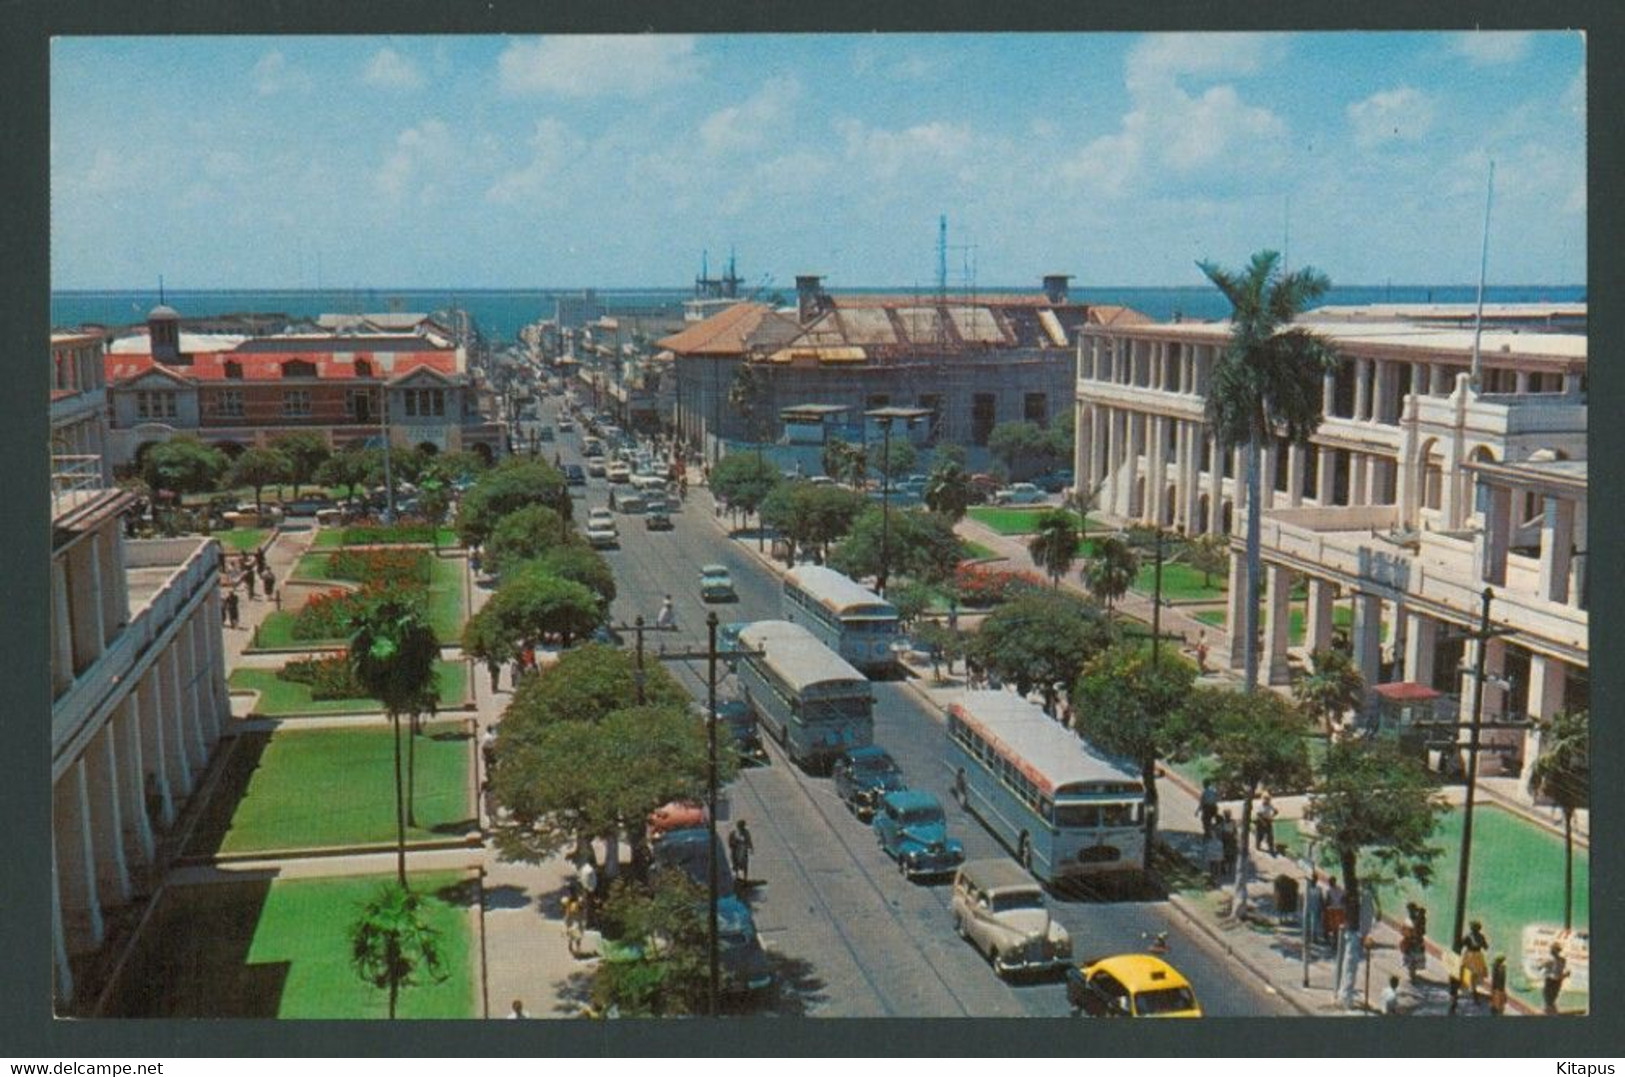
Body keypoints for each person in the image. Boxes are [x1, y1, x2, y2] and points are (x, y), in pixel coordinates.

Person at [1459, 920, 1490, 1006]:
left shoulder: (1468, 936)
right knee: (1474, 973)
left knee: (1469, 972)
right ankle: (1473, 990)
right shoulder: (1480, 936)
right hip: (1477, 956)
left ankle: (1470, 990)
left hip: (1470, 955)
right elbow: (1486, 947)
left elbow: (1461, 945)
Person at [1541, 942, 1568, 1015]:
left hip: (1554, 983)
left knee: (1550, 1002)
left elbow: (1557, 974)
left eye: (1553, 949)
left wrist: (1564, 975)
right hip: (1552, 982)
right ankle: (1550, 1011)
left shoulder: (1560, 960)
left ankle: (1550, 1012)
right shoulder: (1553, 960)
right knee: (1549, 1002)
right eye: (1551, 949)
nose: (1551, 951)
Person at [728, 820, 754, 884]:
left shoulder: (746, 833)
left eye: (742, 826)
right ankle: (736, 876)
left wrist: (751, 847)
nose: (741, 827)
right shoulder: (733, 833)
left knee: (745, 864)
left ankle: (745, 878)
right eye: (740, 826)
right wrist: (733, 844)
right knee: (735, 863)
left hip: (743, 850)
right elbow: (730, 841)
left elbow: (749, 840)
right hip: (736, 850)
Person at [562, 892, 585, 958]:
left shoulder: (570, 906)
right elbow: (581, 915)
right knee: (577, 938)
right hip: (576, 924)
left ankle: (573, 948)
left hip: (573, 923)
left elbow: (568, 916)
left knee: (573, 937)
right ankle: (576, 949)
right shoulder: (575, 906)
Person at [1324, 876, 1346, 944]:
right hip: (1340, 910)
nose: (1329, 883)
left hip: (1332, 910)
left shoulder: (1329, 891)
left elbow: (1327, 901)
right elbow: (1343, 899)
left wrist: (1325, 907)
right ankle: (1337, 941)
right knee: (1338, 927)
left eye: (1330, 882)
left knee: (1332, 927)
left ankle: (1334, 941)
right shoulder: (1340, 889)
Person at [1218, 810, 1238, 877]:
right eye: (1226, 815)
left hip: (1231, 840)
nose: (1227, 817)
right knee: (1224, 855)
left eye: (1228, 815)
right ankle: (1223, 868)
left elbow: (1235, 831)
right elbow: (1220, 832)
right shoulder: (1222, 823)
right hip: (1225, 840)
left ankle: (1229, 868)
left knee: (1231, 855)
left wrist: (1235, 838)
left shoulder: (1233, 822)